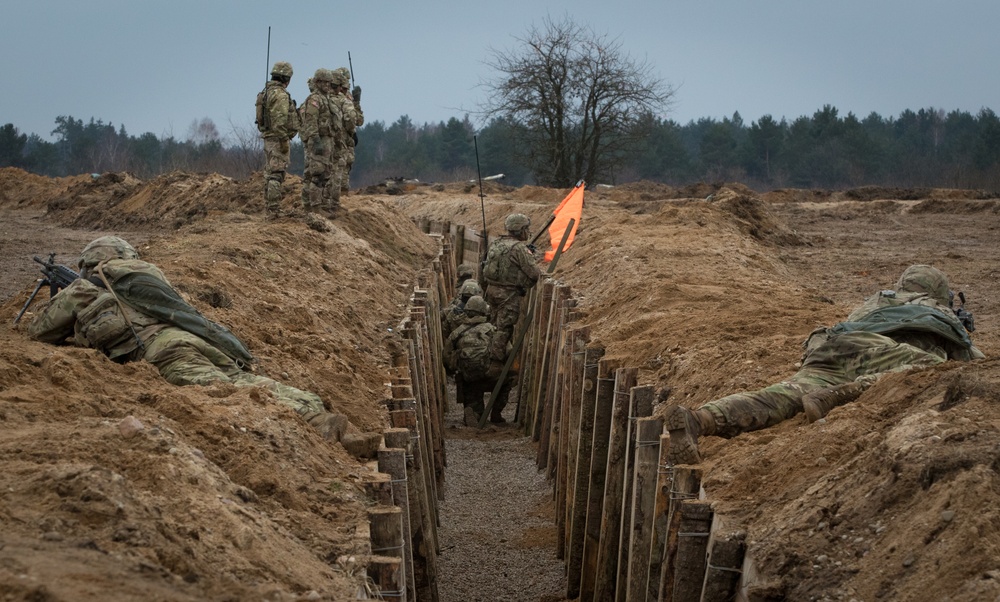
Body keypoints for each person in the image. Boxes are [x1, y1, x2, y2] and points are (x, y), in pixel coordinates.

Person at [26, 236, 381, 458]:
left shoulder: (83, 289)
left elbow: (39, 334)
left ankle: (322, 426)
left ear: (87, 262)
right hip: (192, 340)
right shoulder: (142, 277)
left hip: (165, 353)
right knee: (242, 381)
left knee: (227, 391)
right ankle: (318, 410)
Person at [665, 265, 984, 465]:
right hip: (880, 355)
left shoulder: (878, 302)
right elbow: (975, 365)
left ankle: (699, 419)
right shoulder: (935, 309)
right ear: (940, 295)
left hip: (831, 346)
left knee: (783, 394)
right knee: (931, 367)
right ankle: (837, 395)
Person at [445, 295, 513, 425]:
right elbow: (508, 351)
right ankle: (496, 414)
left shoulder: (457, 332)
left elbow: (446, 357)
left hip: (469, 378)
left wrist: (454, 372)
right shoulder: (493, 330)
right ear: (484, 311)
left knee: (468, 387)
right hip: (491, 376)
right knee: (507, 381)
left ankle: (473, 411)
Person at [482, 213, 541, 352]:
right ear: (521, 230)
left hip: (491, 291)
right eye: (526, 229)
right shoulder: (519, 248)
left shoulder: (496, 243)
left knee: (492, 325)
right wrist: (531, 258)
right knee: (504, 330)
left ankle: (485, 353)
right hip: (508, 295)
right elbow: (534, 273)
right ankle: (494, 362)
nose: (528, 232)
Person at [257, 61, 300, 217]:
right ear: (286, 78)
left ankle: (269, 207)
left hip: (269, 137)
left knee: (269, 173)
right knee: (277, 173)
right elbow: (280, 120)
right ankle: (274, 209)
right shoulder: (280, 95)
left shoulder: (266, 92)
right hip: (277, 138)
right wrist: (283, 140)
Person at [299, 69, 342, 215]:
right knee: (316, 175)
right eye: (324, 82)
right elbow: (311, 121)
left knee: (325, 174)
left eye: (329, 82)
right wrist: (315, 140)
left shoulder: (327, 98)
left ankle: (320, 206)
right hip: (319, 141)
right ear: (317, 82)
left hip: (328, 141)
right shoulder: (315, 99)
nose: (327, 85)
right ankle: (314, 209)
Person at [325, 68, 357, 212]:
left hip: (324, 141)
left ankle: (322, 202)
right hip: (341, 140)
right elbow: (354, 120)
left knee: (324, 171)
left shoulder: (320, 98)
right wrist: (350, 131)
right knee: (339, 171)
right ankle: (335, 202)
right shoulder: (345, 100)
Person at [333, 67, 364, 195]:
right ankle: (341, 194)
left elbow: (359, 120)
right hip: (341, 136)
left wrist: (357, 102)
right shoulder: (337, 98)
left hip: (345, 137)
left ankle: (341, 193)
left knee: (345, 166)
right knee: (341, 166)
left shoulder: (347, 98)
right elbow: (357, 120)